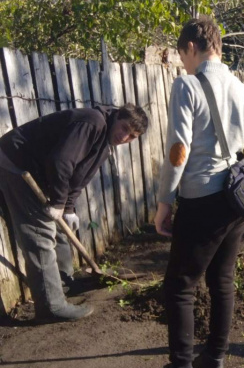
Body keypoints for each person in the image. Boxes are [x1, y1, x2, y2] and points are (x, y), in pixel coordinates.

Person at [133, 17, 244, 368]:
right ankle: (212, 363)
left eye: (182, 55)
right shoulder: (242, 89)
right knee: (222, 281)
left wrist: (165, 203)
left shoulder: (187, 85)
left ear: (191, 48)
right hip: (239, 200)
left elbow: (178, 150)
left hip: (201, 200)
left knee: (180, 286)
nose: (182, 64)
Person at [0, 103, 148, 322]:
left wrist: (67, 208)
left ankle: (64, 282)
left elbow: (79, 177)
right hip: (16, 163)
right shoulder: (92, 122)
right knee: (39, 234)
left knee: (60, 226)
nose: (125, 137)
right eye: (125, 128)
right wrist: (58, 202)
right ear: (117, 116)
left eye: (132, 136)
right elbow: (61, 162)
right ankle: (51, 306)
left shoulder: (105, 144)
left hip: (37, 171)